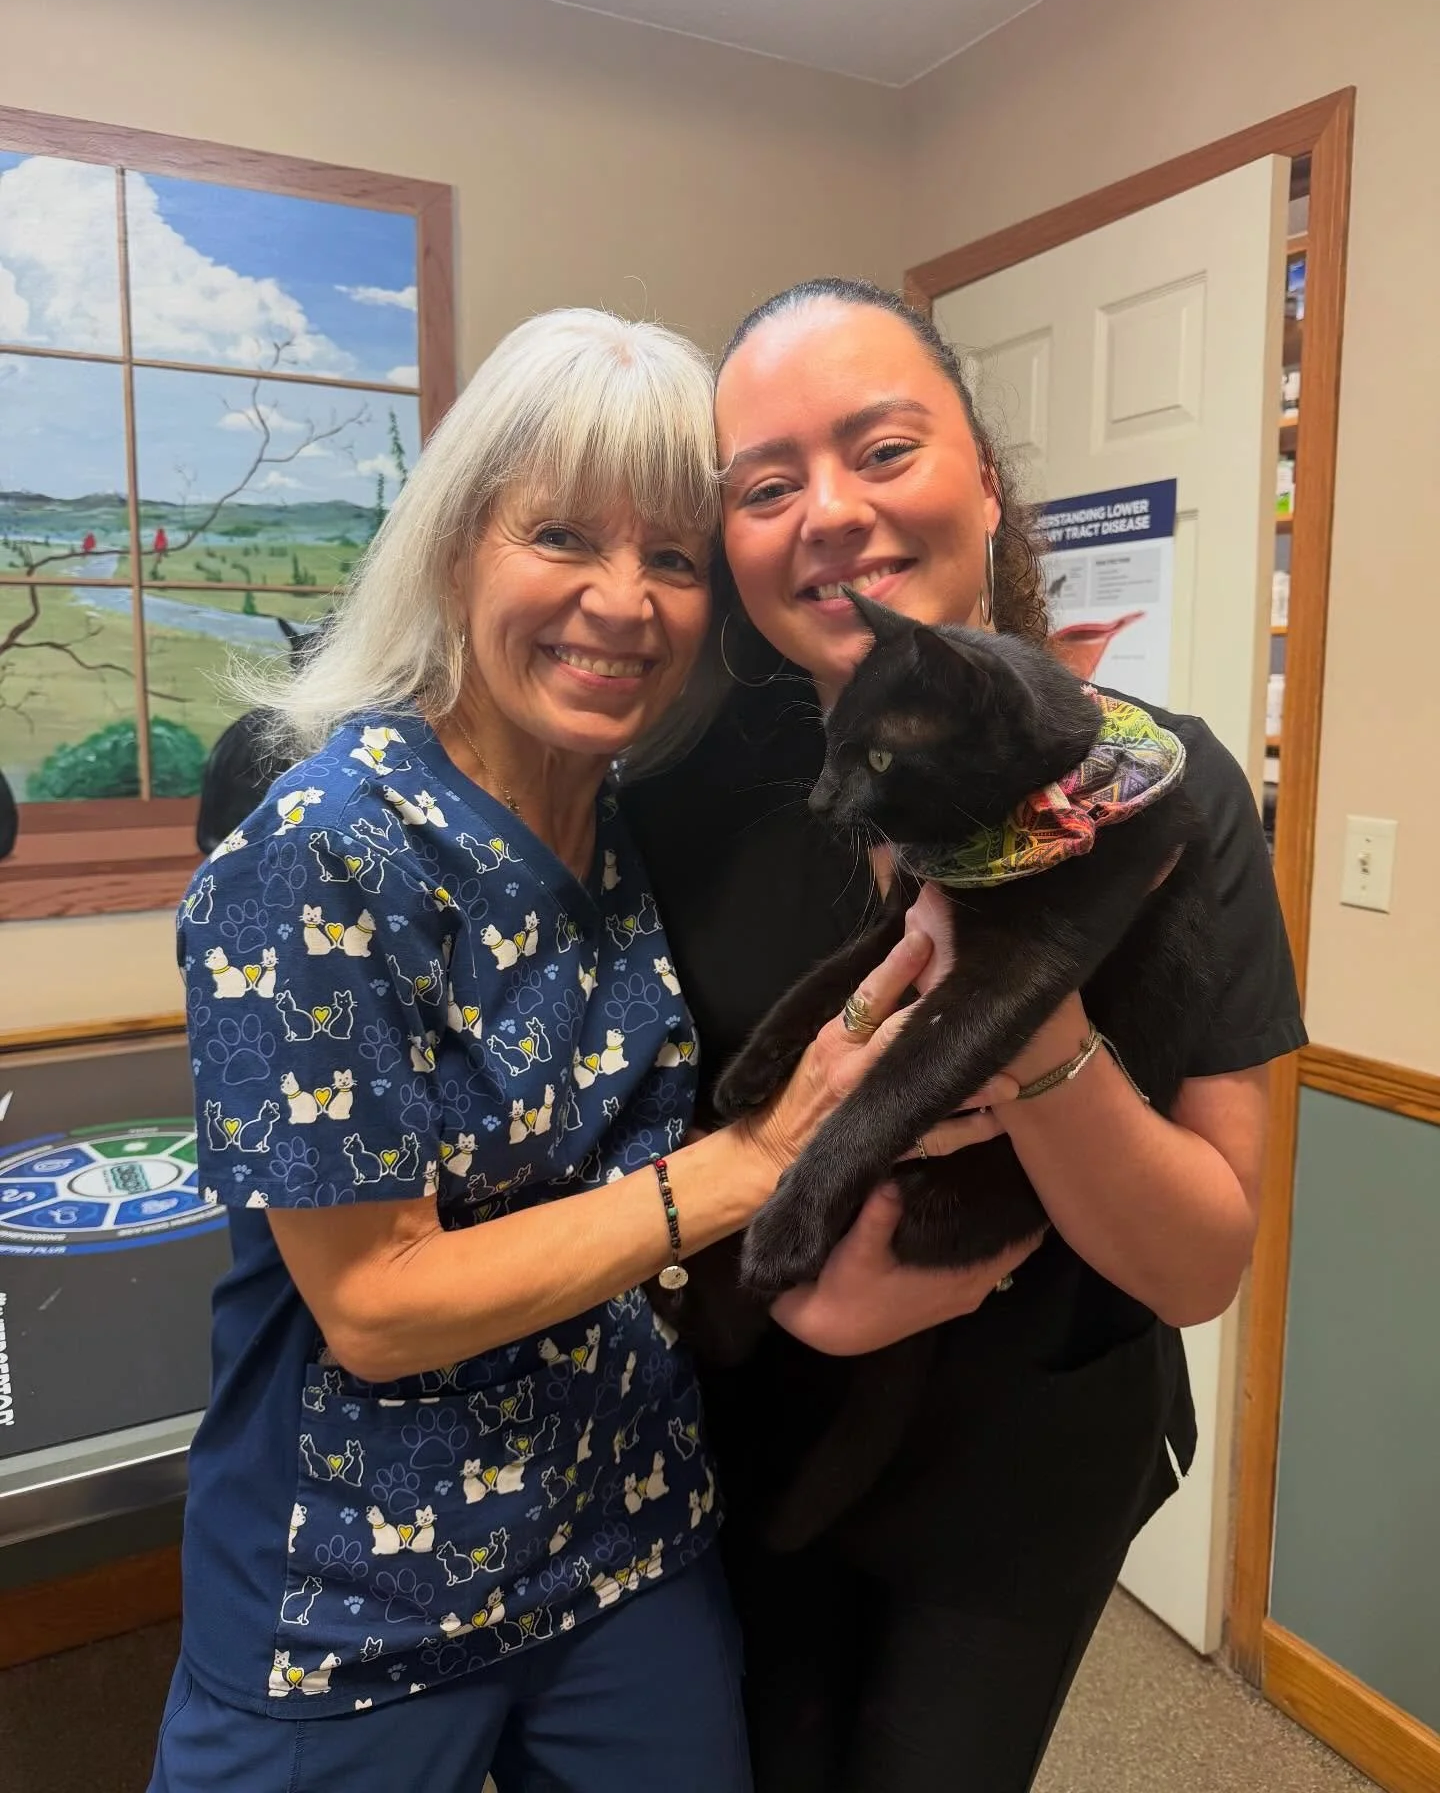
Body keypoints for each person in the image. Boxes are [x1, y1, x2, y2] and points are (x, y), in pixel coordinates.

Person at [148, 307, 933, 1793]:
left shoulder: (623, 831)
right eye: (562, 536)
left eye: (674, 559)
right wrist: (748, 1169)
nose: (621, 603)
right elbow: (374, 1303)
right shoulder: (318, 856)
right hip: (356, 1604)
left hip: (626, 1545)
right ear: (457, 546)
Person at [624, 278, 1307, 1793]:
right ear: (731, 544)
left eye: (883, 448)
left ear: (984, 481)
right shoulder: (671, 807)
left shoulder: (1161, 798)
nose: (831, 513)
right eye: (766, 483)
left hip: (1029, 1473)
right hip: (749, 1433)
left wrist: (1028, 1010)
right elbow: (629, 1158)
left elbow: (1199, 1260)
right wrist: (807, 1294)